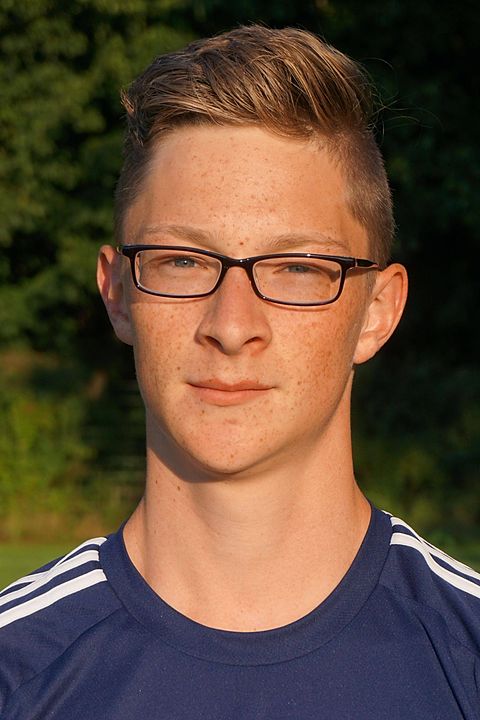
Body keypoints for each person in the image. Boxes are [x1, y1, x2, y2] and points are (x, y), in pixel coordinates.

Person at [1, 24, 479, 720]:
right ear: (118, 292)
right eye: (182, 261)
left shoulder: (465, 657)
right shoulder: (18, 668)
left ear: (378, 311)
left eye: (297, 268)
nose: (231, 325)